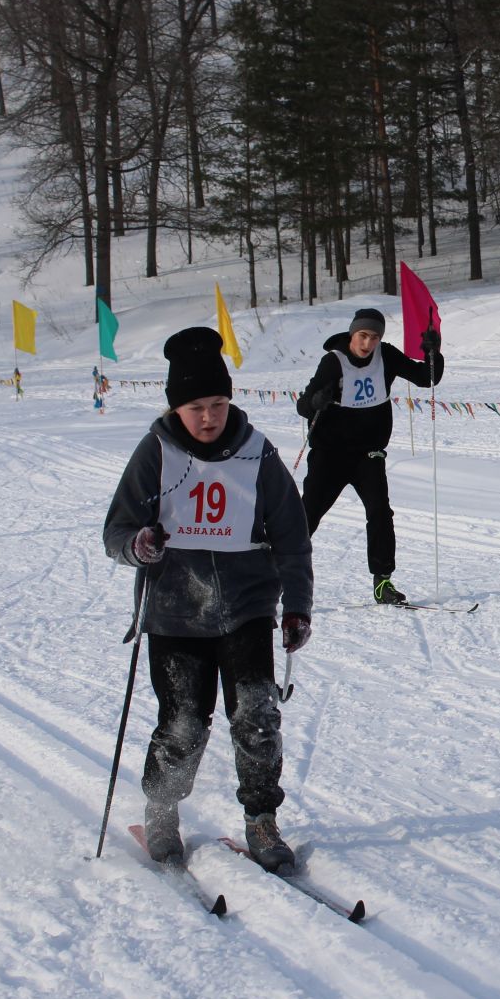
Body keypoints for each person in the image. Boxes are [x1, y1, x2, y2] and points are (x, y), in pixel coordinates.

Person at [103, 327, 314, 871]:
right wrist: (138, 544)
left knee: (258, 716)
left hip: (245, 610)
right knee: (184, 724)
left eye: (218, 403)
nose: (208, 416)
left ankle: (261, 819)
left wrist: (296, 607)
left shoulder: (256, 453)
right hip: (175, 612)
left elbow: (292, 536)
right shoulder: (155, 453)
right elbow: (116, 532)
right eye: (196, 406)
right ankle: (162, 809)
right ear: (177, 408)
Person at [295, 307, 442, 604]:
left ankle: (382, 582)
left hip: (368, 453)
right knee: (307, 516)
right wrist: (316, 400)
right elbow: (303, 406)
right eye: (363, 336)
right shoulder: (333, 362)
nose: (368, 344)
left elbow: (425, 378)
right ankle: (270, 573)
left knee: (380, 513)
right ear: (353, 333)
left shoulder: (385, 356)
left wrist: (432, 353)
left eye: (374, 337)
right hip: (330, 454)